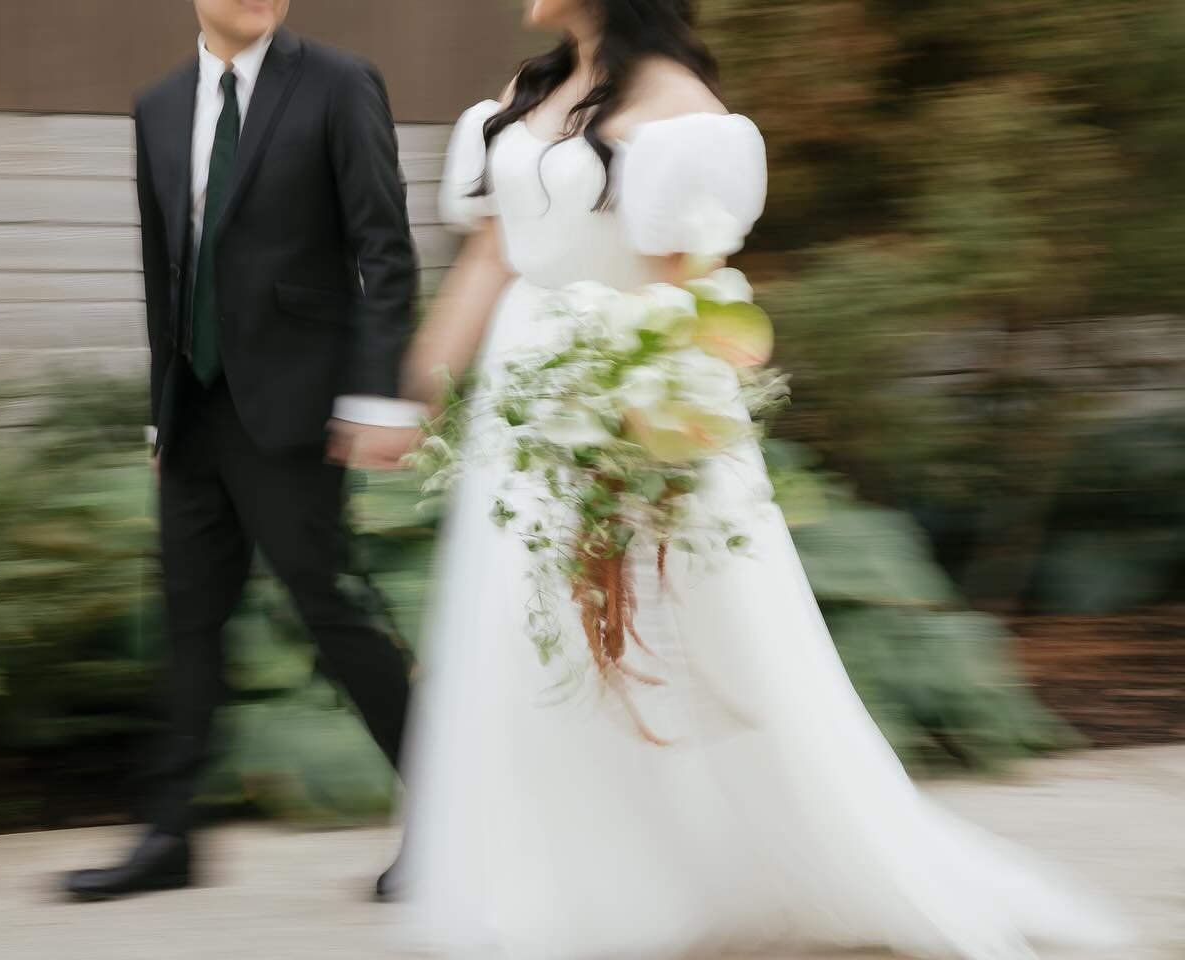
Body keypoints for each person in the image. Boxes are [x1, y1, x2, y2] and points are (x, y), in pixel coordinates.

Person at [396, 1, 1136, 957]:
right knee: (520, 642)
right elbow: (493, 254)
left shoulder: (677, 108)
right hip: (521, 404)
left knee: (644, 650)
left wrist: (631, 444)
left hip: (621, 409)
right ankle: (552, 892)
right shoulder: (527, 92)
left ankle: (664, 885)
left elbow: (680, 296)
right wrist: (415, 388)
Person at [64, 0, 420, 901]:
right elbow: (164, 269)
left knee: (332, 614)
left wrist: (378, 396)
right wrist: (159, 413)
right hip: (194, 408)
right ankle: (171, 836)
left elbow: (385, 248)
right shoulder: (156, 105)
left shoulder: (339, 83)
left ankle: (458, 819)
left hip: (297, 407)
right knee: (189, 622)